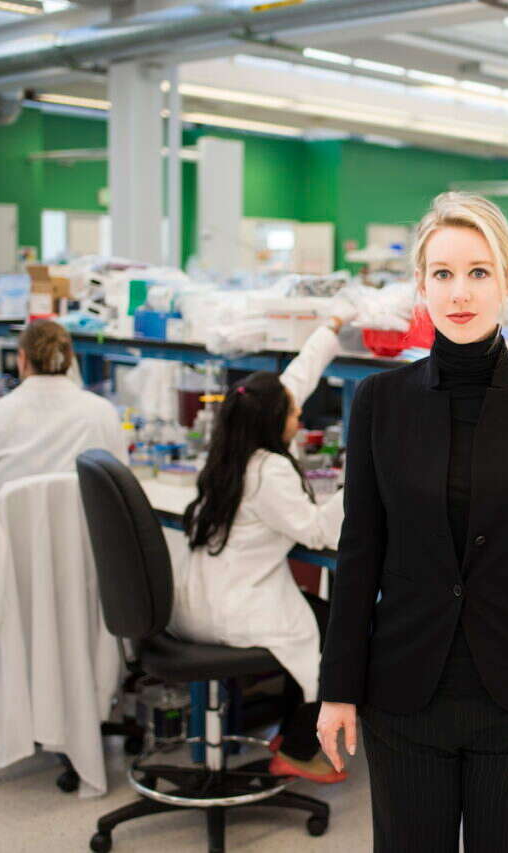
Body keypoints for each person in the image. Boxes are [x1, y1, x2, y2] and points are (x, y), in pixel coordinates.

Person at [315, 192, 508, 853]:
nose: (460, 292)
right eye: (442, 273)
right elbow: (358, 554)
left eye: (478, 271)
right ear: (421, 284)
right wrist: (338, 689)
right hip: (403, 693)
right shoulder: (381, 401)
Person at [172, 314, 350, 784]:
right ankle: (296, 748)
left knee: (321, 619)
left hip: (196, 604)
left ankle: (289, 733)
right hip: (235, 612)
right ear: (273, 422)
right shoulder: (269, 471)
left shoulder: (228, 451)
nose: (300, 418)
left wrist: (331, 328)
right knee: (342, 632)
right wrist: (359, 482)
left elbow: (288, 387)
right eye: (292, 415)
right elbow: (317, 533)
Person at [0, 319, 127, 513]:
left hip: (4, 531)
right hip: (76, 530)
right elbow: (118, 484)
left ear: (22, 359)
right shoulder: (103, 412)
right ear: (70, 358)